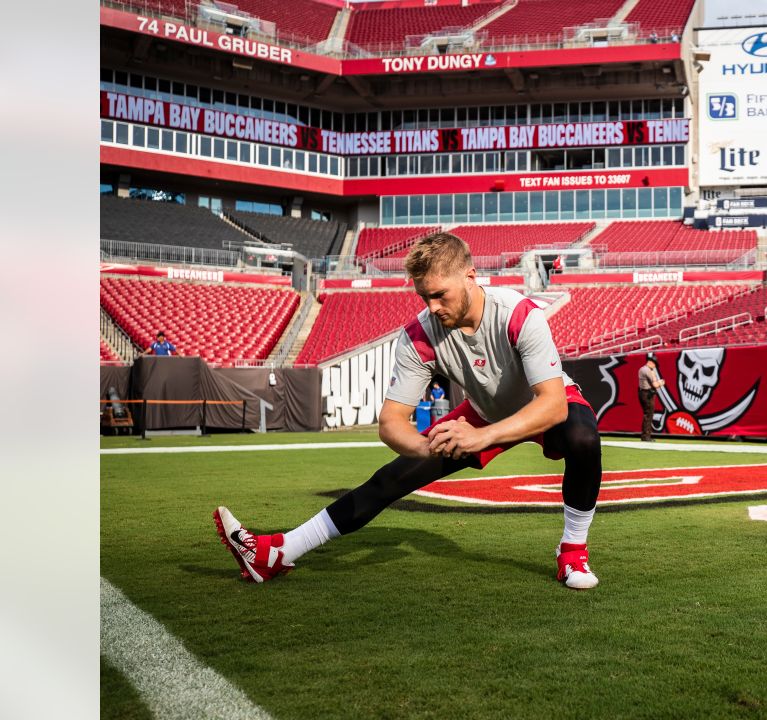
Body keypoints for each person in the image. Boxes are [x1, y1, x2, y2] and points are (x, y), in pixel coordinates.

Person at [214, 231, 603, 589]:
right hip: (483, 412)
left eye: (440, 295)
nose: (432, 307)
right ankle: (276, 552)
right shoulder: (419, 335)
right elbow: (391, 423)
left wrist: (480, 437)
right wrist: (427, 451)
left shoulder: (518, 314)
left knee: (583, 437)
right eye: (424, 297)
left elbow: (551, 404)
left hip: (539, 403)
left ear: (471, 276)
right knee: (392, 478)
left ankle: (572, 554)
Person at [637, 354, 665, 442]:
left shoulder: (642, 369)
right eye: (655, 364)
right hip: (647, 394)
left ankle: (645, 435)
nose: (655, 366)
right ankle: (646, 436)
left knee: (647, 414)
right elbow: (655, 385)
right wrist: (661, 382)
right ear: (652, 363)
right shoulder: (648, 371)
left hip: (642, 393)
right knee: (649, 415)